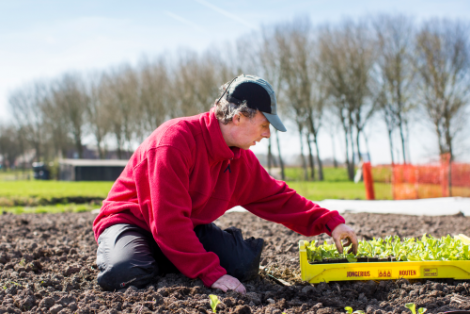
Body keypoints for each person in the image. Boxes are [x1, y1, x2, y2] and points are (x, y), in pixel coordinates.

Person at [93, 74, 358, 294]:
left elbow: (278, 197)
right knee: (126, 273)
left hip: (185, 226)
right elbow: (167, 220)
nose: (267, 134)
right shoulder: (174, 142)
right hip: (131, 222)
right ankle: (161, 255)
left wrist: (330, 222)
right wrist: (209, 273)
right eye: (264, 125)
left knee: (243, 265)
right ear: (239, 117)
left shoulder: (239, 159)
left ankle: (172, 254)